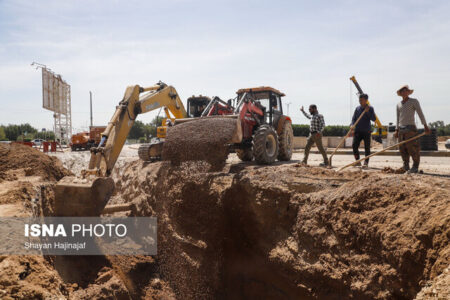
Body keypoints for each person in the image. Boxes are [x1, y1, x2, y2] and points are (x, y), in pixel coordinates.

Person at [395, 85, 431, 173]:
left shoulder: (413, 101)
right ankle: (406, 165)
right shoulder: (398, 104)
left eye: (406, 90)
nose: (404, 92)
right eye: (402, 91)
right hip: (401, 129)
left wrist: (425, 126)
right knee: (402, 148)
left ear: (408, 92)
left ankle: (415, 166)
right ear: (401, 93)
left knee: (412, 148)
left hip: (410, 128)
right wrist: (397, 130)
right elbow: (397, 118)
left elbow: (420, 113)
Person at [350, 94, 376, 169]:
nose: (360, 101)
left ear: (366, 100)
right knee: (354, 146)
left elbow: (373, 119)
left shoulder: (370, 108)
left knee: (367, 148)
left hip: (366, 131)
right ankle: (357, 161)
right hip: (358, 131)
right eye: (359, 100)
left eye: (361, 100)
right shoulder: (357, 108)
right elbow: (354, 119)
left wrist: (367, 112)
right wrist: (352, 125)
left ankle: (366, 163)